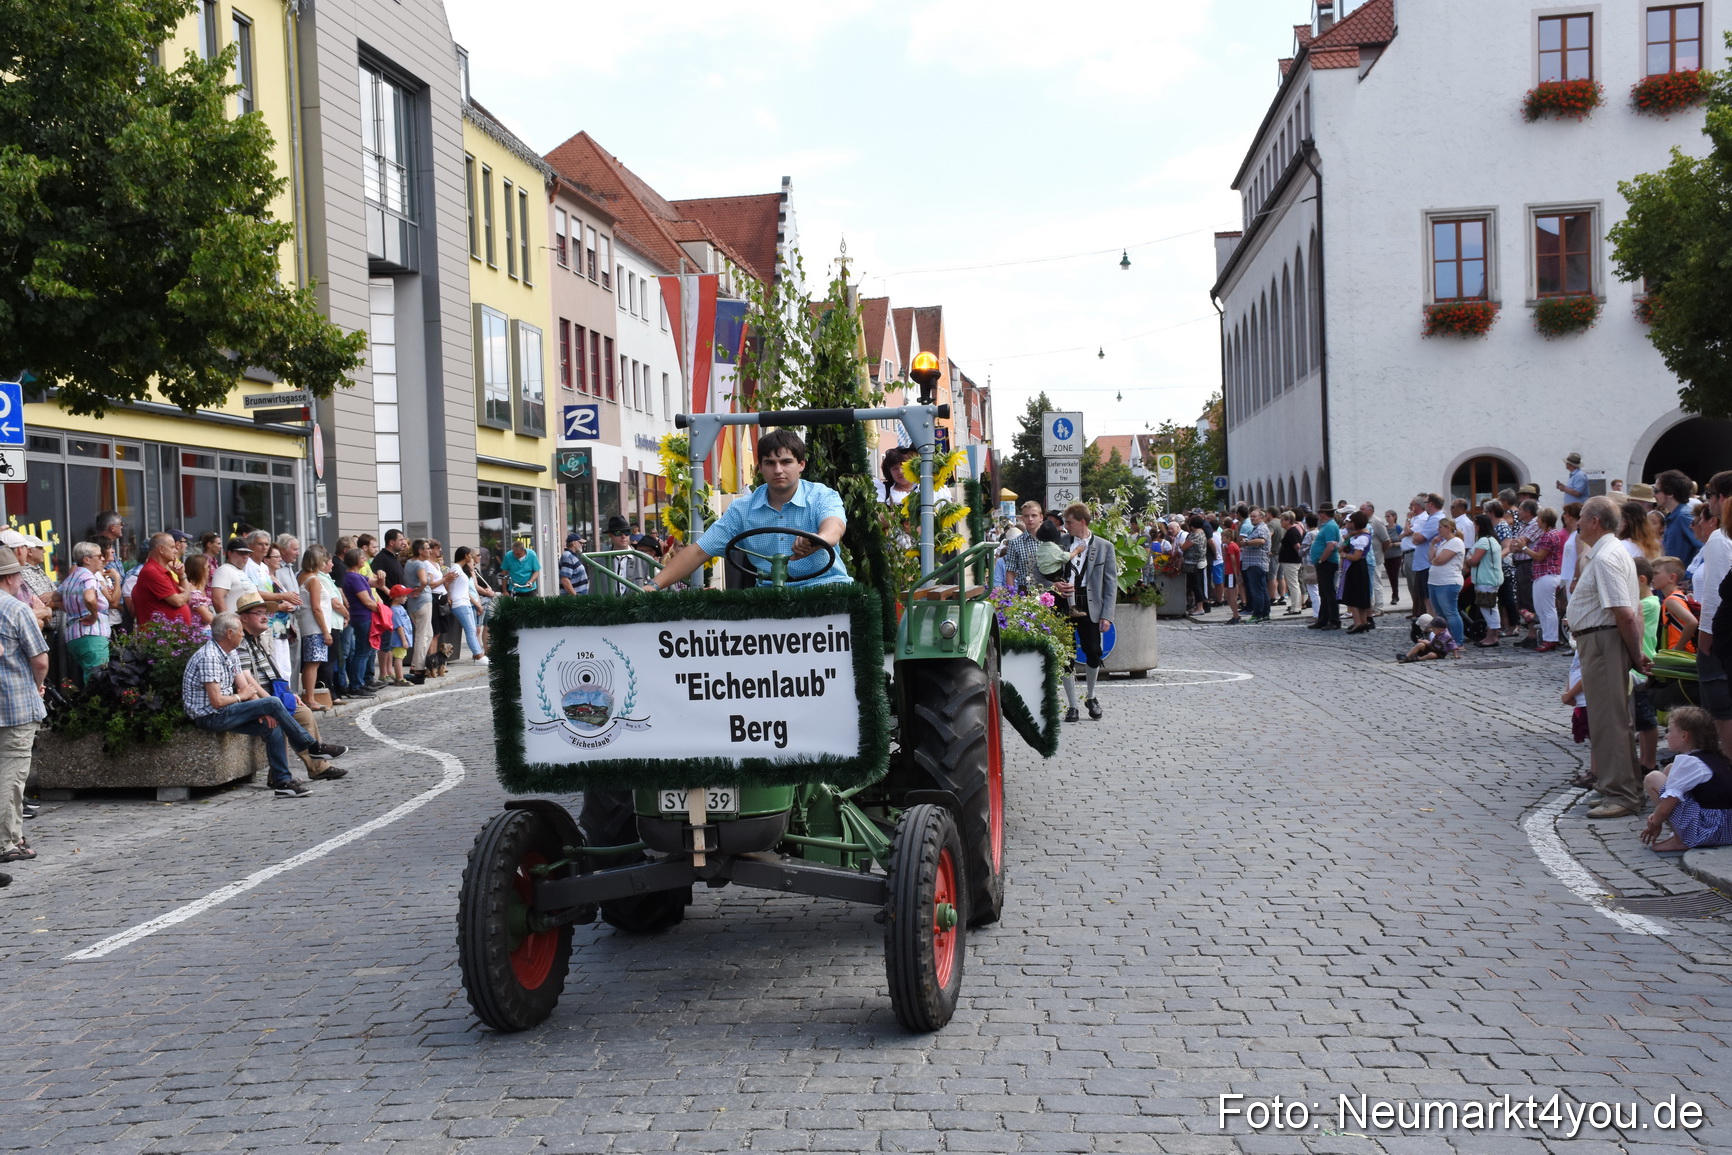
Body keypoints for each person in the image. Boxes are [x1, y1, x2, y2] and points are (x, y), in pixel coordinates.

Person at [646, 429, 850, 591]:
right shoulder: (742, 509)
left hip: (827, 589)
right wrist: (653, 586)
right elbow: (699, 551)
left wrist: (817, 539)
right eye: (770, 463)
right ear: (759, 467)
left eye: (786, 462)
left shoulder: (822, 496)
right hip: (770, 596)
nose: (778, 470)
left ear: (801, 465)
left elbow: (834, 528)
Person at [182, 612, 345, 798]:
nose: (243, 635)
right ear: (229, 633)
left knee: (271, 724)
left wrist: (260, 709)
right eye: (240, 631)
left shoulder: (230, 652)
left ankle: (283, 782)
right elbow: (217, 701)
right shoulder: (209, 657)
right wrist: (241, 697)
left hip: (226, 710)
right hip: (210, 716)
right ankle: (313, 747)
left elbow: (245, 686)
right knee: (273, 702)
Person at [1566, 495, 1652, 819]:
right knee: (1613, 719)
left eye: (1582, 517)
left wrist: (1636, 653)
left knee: (1609, 721)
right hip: (1602, 640)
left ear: (1595, 522)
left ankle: (1621, 794)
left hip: (1603, 642)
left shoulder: (1605, 557)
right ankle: (1622, 787)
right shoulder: (1607, 552)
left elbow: (1624, 613)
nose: (1578, 523)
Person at [232, 592, 347, 782]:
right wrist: (271, 702)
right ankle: (287, 773)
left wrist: (288, 693)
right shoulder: (240, 641)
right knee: (284, 718)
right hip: (256, 698)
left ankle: (315, 767)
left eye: (266, 613)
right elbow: (246, 679)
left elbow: (272, 673)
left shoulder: (257, 639)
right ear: (244, 618)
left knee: (303, 713)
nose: (264, 617)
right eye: (258, 613)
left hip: (270, 695)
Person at [0, 547, 48, 864]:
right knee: (12, 775)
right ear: (12, 577)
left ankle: (14, 834)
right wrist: (37, 685)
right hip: (14, 702)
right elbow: (40, 660)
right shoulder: (16, 609)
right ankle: (6, 841)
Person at [1052, 502, 1116, 721]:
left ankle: (1090, 696)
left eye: (1068, 522)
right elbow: (1042, 570)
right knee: (1065, 654)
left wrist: (1107, 614)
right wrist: (1055, 585)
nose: (1065, 526)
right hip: (1063, 602)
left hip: (1090, 605)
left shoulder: (1105, 546)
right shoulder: (1060, 543)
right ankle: (1072, 705)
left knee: (1094, 651)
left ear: (1082, 522)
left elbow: (1110, 583)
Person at [1641, 707, 1732, 851]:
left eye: (1669, 731)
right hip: (1728, 828)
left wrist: (1655, 821)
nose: (1666, 736)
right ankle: (1681, 833)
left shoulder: (1689, 763)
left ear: (1684, 736)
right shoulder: (1716, 758)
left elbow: (1666, 807)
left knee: (1653, 778)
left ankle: (1680, 838)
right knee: (1670, 770)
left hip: (1708, 830)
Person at [1694, 471, 1732, 753]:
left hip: (1721, 632)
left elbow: (1715, 593)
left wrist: (1705, 635)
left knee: (1721, 707)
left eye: (1711, 495)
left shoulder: (1719, 538)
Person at [1632, 556, 1662, 777]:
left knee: (1646, 719)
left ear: (1641, 580)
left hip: (1642, 666)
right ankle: (1644, 760)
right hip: (1637, 667)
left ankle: (1649, 761)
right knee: (1642, 720)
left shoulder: (1648, 604)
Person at [132, 532, 198, 626]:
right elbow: (178, 601)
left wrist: (181, 575)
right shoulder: (152, 571)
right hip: (160, 637)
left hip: (172, 636)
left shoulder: (162, 570)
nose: (175, 551)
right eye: (172, 547)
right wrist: (187, 593)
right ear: (161, 549)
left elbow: (185, 599)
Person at [403, 540, 440, 681]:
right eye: (427, 548)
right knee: (422, 635)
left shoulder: (409, 563)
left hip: (414, 603)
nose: (429, 551)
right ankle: (419, 670)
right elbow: (424, 581)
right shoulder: (420, 564)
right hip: (422, 602)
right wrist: (419, 589)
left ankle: (415, 664)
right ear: (420, 551)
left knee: (428, 634)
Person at [1426, 515, 1466, 645]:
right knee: (1440, 614)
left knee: (1450, 612)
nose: (1438, 530)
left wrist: (1434, 560)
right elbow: (1431, 559)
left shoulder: (1456, 542)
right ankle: (1444, 640)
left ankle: (1458, 642)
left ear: (1448, 528)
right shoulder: (1444, 543)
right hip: (1435, 582)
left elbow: (1439, 560)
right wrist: (1432, 545)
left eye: (1440, 527)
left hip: (1448, 582)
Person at [1467, 513, 1504, 649]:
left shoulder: (1484, 541)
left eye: (1475, 525)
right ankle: (1491, 635)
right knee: (1490, 607)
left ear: (1479, 526)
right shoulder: (1493, 540)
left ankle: (1492, 637)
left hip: (1486, 579)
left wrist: (1468, 558)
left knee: (1488, 608)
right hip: (1491, 578)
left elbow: (1474, 561)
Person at [449, 546, 487, 661]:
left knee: (473, 629)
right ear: (466, 556)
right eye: (470, 555)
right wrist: (448, 595)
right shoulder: (455, 568)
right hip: (459, 603)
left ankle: (478, 654)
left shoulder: (461, 569)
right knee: (470, 630)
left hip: (465, 602)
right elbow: (448, 582)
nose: (471, 557)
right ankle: (479, 655)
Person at [1308, 505, 1342, 631]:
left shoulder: (1330, 526)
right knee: (1323, 592)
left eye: (1319, 512)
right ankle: (1323, 619)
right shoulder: (1327, 525)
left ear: (1324, 513)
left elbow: (1330, 546)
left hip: (1327, 563)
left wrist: (1322, 559)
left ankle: (1334, 620)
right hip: (1324, 562)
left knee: (1329, 592)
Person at [1655, 469, 1698, 566]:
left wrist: (1690, 574)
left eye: (1656, 491)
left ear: (1670, 494)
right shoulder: (1674, 515)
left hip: (1679, 579)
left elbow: (1703, 547)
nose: (1654, 495)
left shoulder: (1684, 516)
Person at [1339, 511, 1373, 633]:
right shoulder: (1361, 534)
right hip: (1358, 567)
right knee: (1360, 595)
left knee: (1353, 596)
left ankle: (1358, 622)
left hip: (1356, 567)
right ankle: (1363, 622)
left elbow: (1356, 557)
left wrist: (1344, 555)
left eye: (1352, 522)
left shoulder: (1362, 538)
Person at [999, 502, 1044, 594]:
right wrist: (1011, 596)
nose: (1030, 519)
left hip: (1048, 590)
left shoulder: (1049, 540)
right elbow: (1010, 571)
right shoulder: (1015, 543)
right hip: (1025, 590)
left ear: (1041, 517)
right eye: (1026, 516)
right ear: (1023, 518)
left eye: (1034, 515)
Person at [1655, 557, 1698, 653]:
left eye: (1656, 573)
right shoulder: (1679, 595)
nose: (1652, 577)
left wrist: (1677, 649)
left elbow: (1692, 622)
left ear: (1672, 578)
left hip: (1683, 654)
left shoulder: (1671, 601)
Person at [604, 516, 654, 591]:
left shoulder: (646, 560)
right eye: (618, 533)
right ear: (610, 535)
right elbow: (593, 593)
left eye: (627, 532)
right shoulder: (600, 561)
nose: (623, 536)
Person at [1240, 508, 1272, 623]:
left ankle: (1258, 614)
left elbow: (1261, 541)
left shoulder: (1261, 528)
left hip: (1256, 563)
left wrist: (1246, 543)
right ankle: (1265, 613)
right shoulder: (1257, 528)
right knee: (1262, 589)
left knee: (1257, 590)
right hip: (1254, 563)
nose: (1252, 518)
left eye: (1254, 516)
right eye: (1251, 516)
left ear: (1261, 517)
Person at [1277, 512, 1305, 615]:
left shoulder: (1292, 532)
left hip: (1291, 561)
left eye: (1282, 520)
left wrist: (1300, 554)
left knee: (1293, 585)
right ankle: (1296, 606)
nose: (1281, 522)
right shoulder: (1291, 530)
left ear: (1288, 521)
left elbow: (1297, 546)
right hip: (1290, 561)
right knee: (1293, 584)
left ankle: (1296, 607)